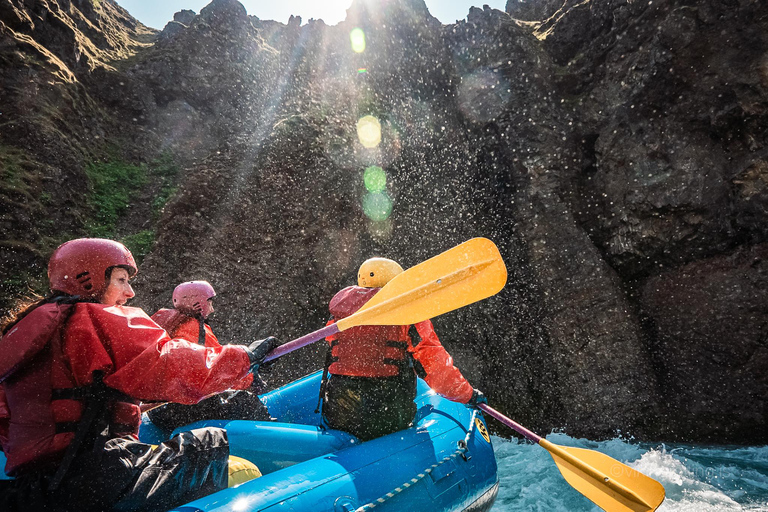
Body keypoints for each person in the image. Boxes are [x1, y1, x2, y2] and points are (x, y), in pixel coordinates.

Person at [0, 238, 279, 512]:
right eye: (121, 280)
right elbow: (169, 362)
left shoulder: (24, 333)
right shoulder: (93, 318)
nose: (130, 292)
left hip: (37, 489)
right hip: (98, 478)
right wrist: (245, 356)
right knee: (218, 448)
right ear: (89, 280)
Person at [319, 257, 487, 441]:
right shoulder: (407, 313)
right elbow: (435, 364)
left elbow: (336, 345)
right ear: (396, 284)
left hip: (339, 408)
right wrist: (467, 395)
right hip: (385, 410)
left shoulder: (340, 313)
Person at [146, 281, 273, 432]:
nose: (212, 310)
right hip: (178, 409)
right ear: (197, 303)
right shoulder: (194, 328)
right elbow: (216, 372)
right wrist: (252, 378)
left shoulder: (168, 323)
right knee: (245, 402)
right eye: (209, 303)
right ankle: (270, 436)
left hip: (159, 411)